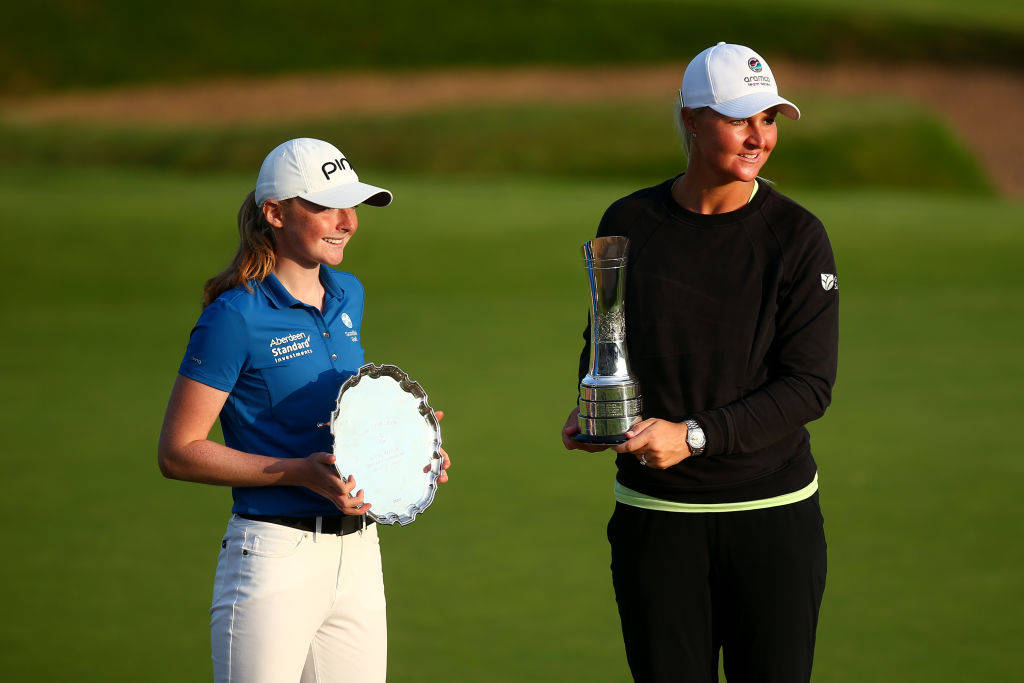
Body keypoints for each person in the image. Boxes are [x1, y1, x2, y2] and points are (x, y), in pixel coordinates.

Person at [561, 43, 837, 682]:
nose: (758, 137)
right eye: (742, 118)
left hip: (772, 521)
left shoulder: (797, 236)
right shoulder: (630, 221)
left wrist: (691, 436)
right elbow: (605, 340)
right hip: (657, 525)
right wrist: (595, 407)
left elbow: (809, 386)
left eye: (768, 119)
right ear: (690, 118)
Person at [158, 137, 450, 683]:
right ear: (275, 212)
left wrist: (409, 448)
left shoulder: (349, 295)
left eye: (353, 205)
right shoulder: (234, 317)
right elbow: (178, 453)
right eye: (324, 205)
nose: (346, 221)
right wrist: (296, 472)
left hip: (359, 553)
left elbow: (345, 417)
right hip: (273, 556)